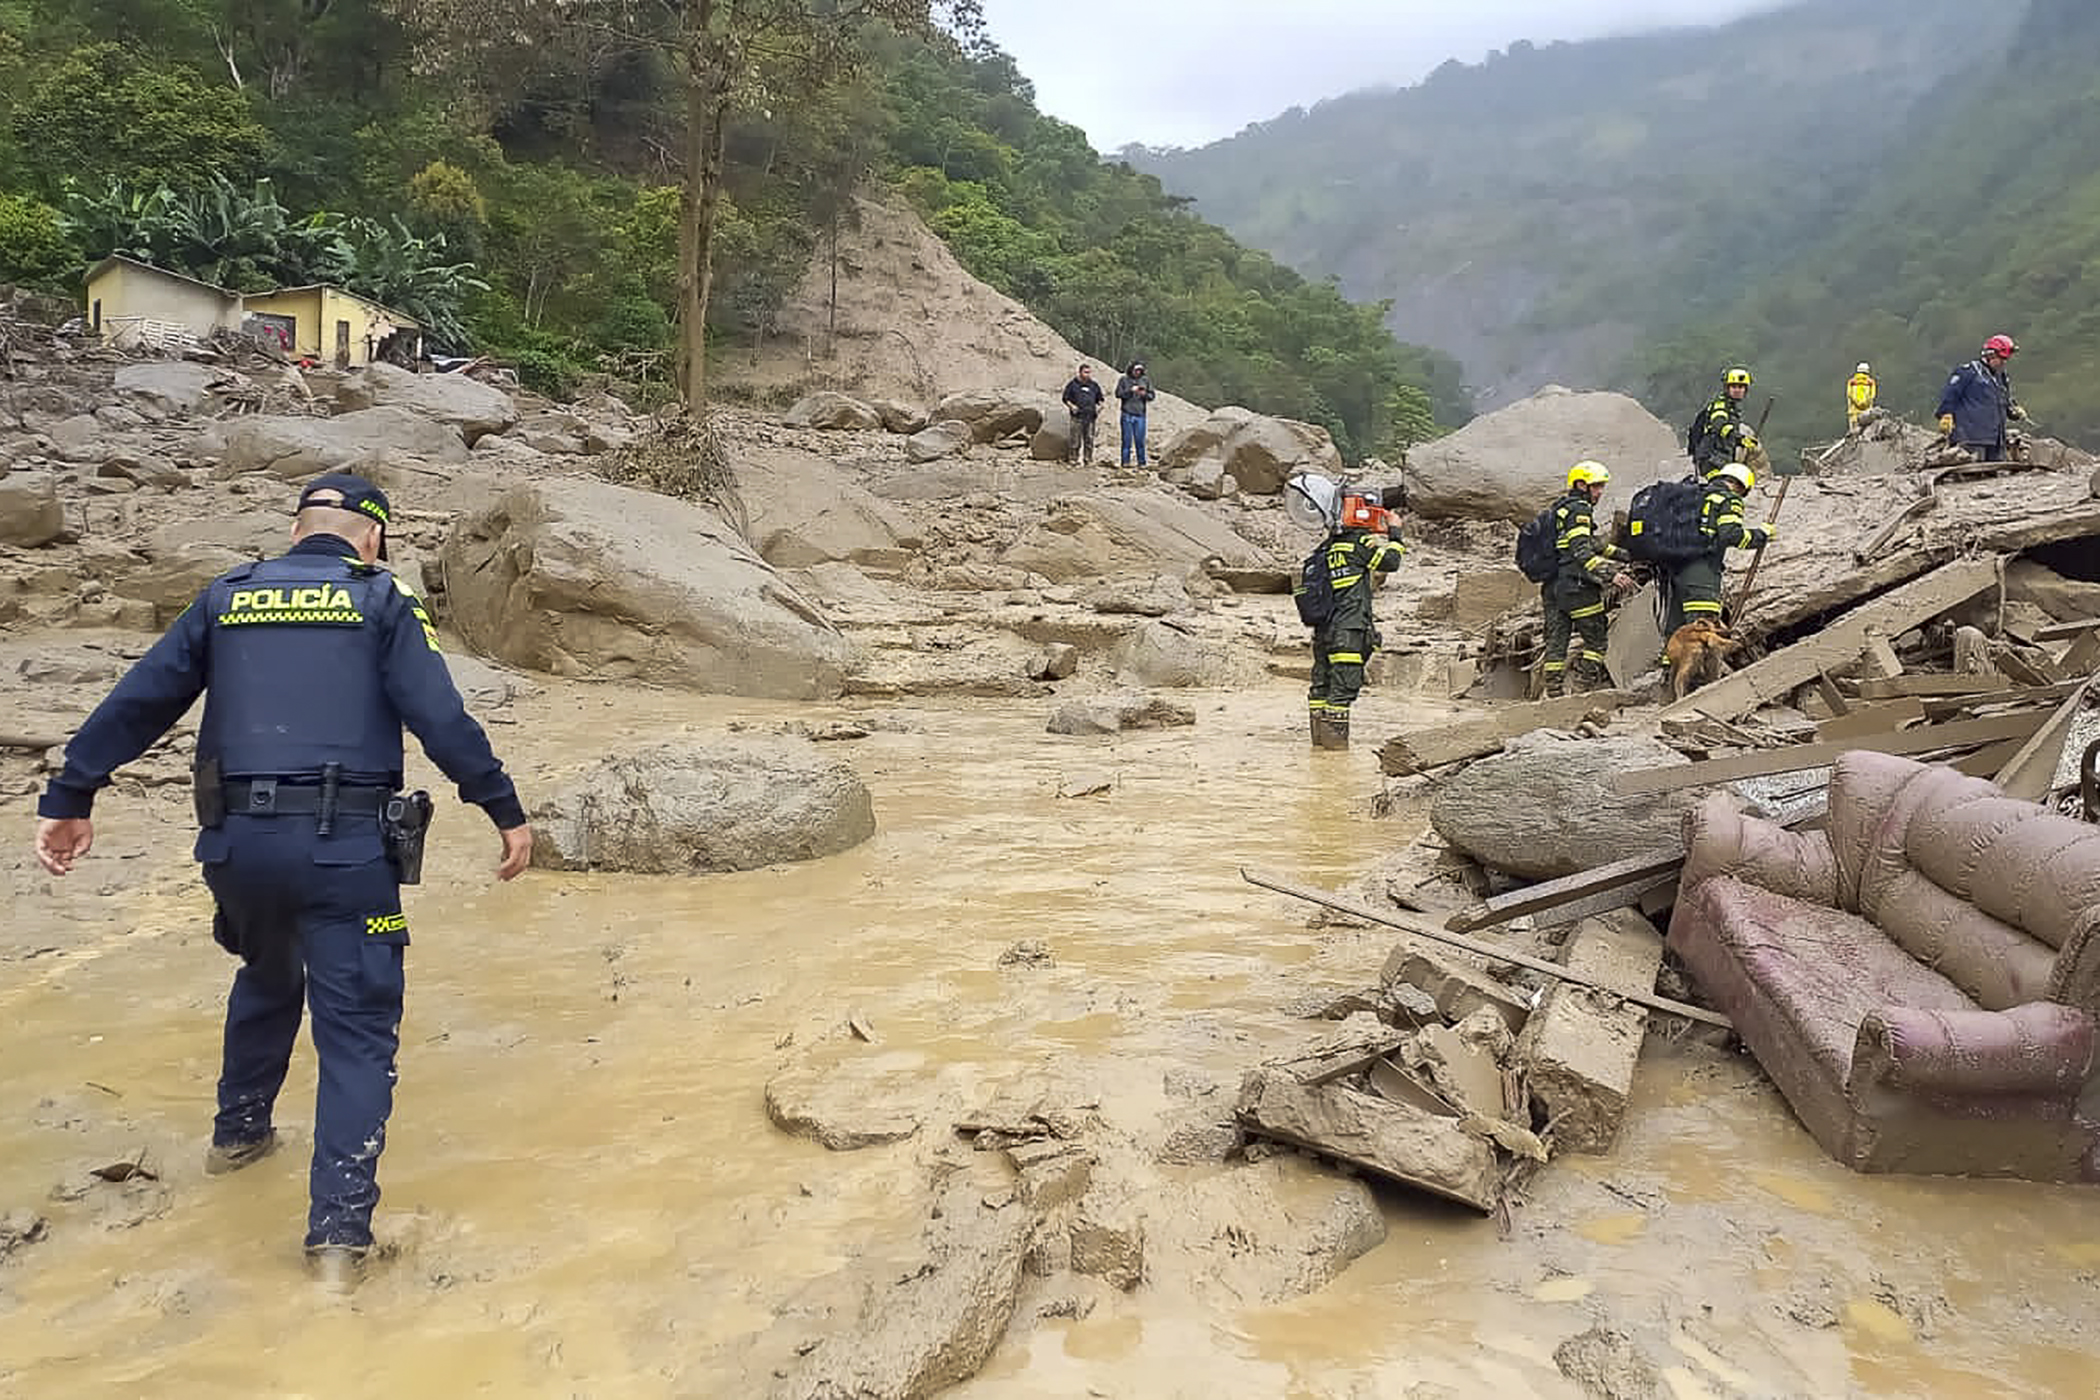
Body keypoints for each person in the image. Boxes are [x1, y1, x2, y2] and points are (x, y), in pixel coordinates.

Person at [32, 472, 533, 1289]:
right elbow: (441, 718)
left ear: (299, 529)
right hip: (344, 852)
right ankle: (336, 1242)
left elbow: (140, 699)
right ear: (373, 537)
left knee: (266, 973)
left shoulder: (227, 596)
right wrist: (503, 810)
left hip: (236, 851)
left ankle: (238, 1137)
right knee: (358, 1035)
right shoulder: (380, 599)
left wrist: (71, 794)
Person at [1303, 489, 1406, 749]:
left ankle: (1318, 749)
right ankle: (1335, 756)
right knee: (1342, 690)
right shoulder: (1359, 544)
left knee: (1321, 688)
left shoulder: (1326, 549)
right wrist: (1395, 533)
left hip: (1324, 632)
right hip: (1349, 630)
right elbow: (1391, 562)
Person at [1542, 462, 1637, 697]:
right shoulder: (1580, 510)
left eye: (1602, 487)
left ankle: (1553, 695)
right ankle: (1581, 691)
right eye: (1596, 487)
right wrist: (1611, 574)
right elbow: (1582, 552)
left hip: (1552, 587)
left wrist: (1628, 555)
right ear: (1581, 484)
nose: (1600, 492)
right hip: (1577, 586)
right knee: (1597, 641)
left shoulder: (1560, 509)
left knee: (1556, 643)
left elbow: (1593, 544)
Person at [1662, 461, 1775, 639]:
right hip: (1701, 570)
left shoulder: (1694, 495)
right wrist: (1761, 535)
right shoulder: (1728, 499)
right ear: (1741, 486)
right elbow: (1730, 535)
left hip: (1673, 568)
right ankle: (1699, 667)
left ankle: (1669, 664)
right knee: (1703, 630)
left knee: (1678, 630)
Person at [1937, 334, 2024, 463]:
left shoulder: (2001, 376)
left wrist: (2013, 410)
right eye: (2001, 359)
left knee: (1995, 476)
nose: (2004, 363)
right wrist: (1946, 414)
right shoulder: (1968, 372)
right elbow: (1950, 395)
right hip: (1971, 439)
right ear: (1990, 355)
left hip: (1995, 439)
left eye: (2006, 360)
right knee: (1971, 475)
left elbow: (2005, 399)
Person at [1689, 366, 1758, 478]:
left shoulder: (1731, 408)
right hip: (1711, 461)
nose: (1737, 390)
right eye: (1733, 386)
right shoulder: (1720, 406)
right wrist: (1739, 438)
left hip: (1721, 460)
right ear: (1727, 388)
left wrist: (1740, 442)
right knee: (1719, 491)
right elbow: (1719, 425)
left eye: (1741, 387)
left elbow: (1725, 438)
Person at [1061, 363, 1106, 465]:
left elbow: (1100, 399)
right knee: (1075, 439)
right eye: (1086, 372)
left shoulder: (1094, 385)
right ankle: (1073, 459)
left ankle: (1088, 459)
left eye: (1089, 372)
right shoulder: (1072, 384)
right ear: (1080, 372)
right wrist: (1072, 406)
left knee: (1089, 439)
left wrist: (1100, 407)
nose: (1088, 374)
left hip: (1090, 417)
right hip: (1077, 417)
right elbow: (1065, 398)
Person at [1114, 360, 1156, 467]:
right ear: (1131, 369)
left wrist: (1143, 394)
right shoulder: (1124, 380)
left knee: (1140, 441)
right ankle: (1125, 462)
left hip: (1140, 414)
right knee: (1126, 440)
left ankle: (1141, 463)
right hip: (1127, 413)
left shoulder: (1145, 380)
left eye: (1140, 370)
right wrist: (1130, 391)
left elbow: (1152, 396)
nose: (1138, 372)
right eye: (1136, 370)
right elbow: (1118, 394)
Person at [1846, 362, 1878, 429]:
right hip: (1866, 413)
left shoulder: (1851, 382)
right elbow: (1872, 396)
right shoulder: (1871, 383)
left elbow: (1849, 395)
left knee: (1854, 433)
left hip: (1854, 414)